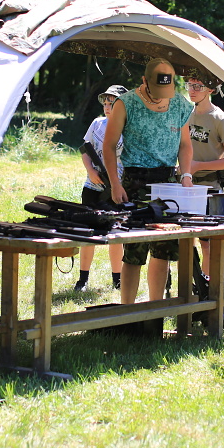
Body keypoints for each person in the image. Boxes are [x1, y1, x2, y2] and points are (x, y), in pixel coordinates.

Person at [103, 57, 195, 303]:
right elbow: (109, 146)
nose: (161, 97)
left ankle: (156, 310)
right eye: (156, 91)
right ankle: (128, 313)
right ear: (144, 81)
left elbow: (185, 145)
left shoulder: (181, 105)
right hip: (135, 181)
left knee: (163, 250)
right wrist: (115, 183)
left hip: (168, 181)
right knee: (134, 252)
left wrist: (185, 174)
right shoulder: (127, 103)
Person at [185, 75, 224, 278]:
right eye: (190, 85)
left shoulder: (220, 120)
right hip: (184, 188)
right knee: (184, 241)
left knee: (207, 243)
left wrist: (199, 166)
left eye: (197, 86)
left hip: (210, 189)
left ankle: (206, 286)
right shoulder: (185, 115)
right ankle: (190, 285)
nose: (192, 90)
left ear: (210, 90)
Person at [74, 84, 127, 292]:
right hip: (92, 185)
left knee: (116, 234)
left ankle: (117, 280)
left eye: (112, 102)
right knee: (88, 232)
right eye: (105, 102)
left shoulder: (128, 127)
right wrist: (91, 172)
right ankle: (83, 279)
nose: (107, 106)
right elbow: (85, 149)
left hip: (117, 187)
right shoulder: (97, 123)